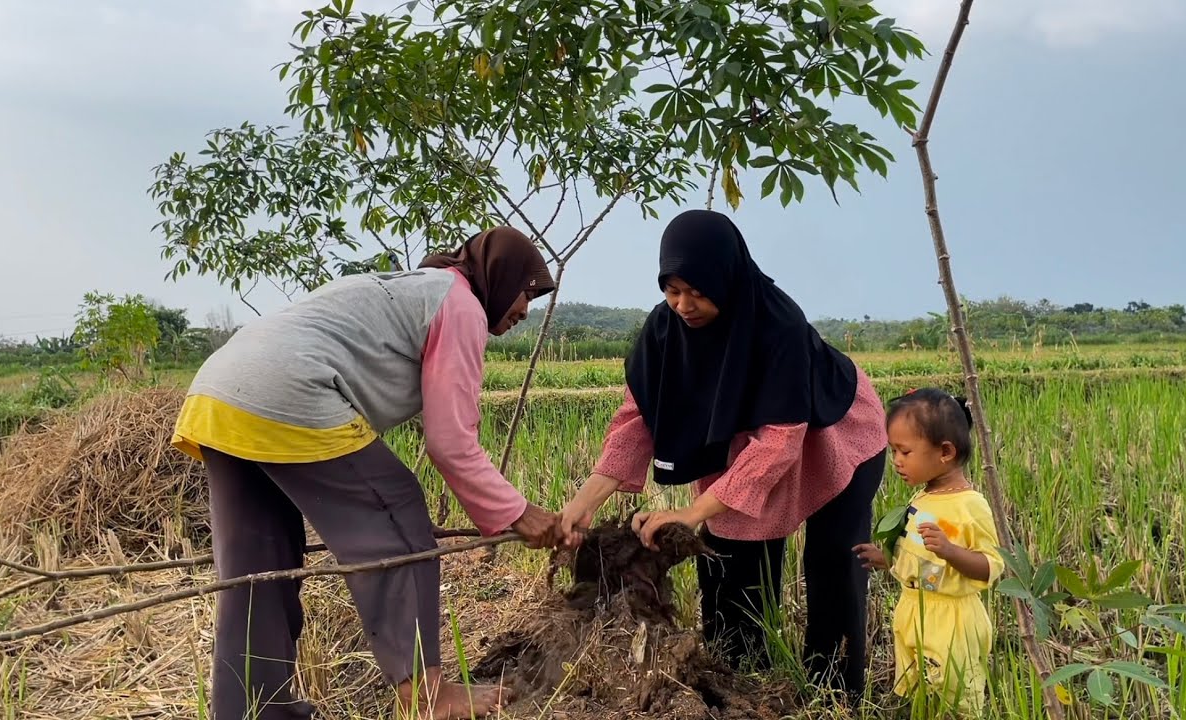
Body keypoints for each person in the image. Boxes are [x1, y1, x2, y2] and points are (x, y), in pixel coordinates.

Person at [171, 227, 562, 720]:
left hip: (217, 392)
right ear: (499, 276)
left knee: (259, 568)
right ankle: (428, 697)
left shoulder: (408, 288)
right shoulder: (459, 303)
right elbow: (450, 443)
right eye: (526, 292)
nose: (525, 310)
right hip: (289, 388)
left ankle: (251, 710)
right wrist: (518, 512)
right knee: (396, 512)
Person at [559, 209, 889, 700]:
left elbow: (778, 442)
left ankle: (834, 695)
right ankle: (741, 683)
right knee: (731, 550)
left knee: (834, 567)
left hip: (834, 437)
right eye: (671, 290)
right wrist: (584, 502)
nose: (683, 305)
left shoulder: (778, 324)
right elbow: (636, 420)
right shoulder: (664, 330)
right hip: (739, 442)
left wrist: (692, 512)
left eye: (697, 291)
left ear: (727, 277)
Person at [853, 388, 1004, 716]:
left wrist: (951, 551)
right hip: (913, 612)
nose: (896, 461)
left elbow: (991, 566)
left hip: (950, 620)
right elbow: (923, 557)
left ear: (945, 452)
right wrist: (887, 559)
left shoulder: (969, 505)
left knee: (956, 697)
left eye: (904, 451)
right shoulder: (923, 497)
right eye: (894, 451)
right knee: (917, 694)